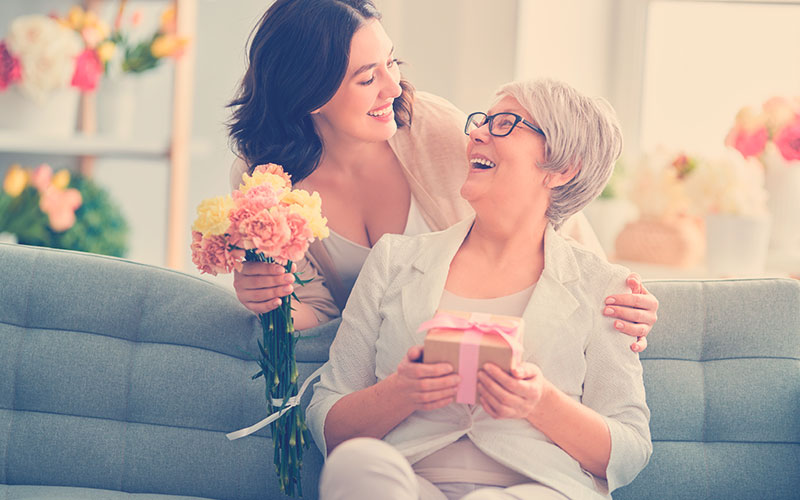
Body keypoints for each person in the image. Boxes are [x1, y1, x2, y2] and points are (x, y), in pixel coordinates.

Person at [227, 0, 657, 350]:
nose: (393, 87)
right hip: (385, 362)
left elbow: (542, 208)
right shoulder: (264, 182)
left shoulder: (428, 126)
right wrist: (269, 300)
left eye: (390, 62)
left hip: (488, 341)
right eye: (366, 78)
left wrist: (615, 295)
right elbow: (318, 314)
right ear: (309, 94)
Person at [306, 77, 652, 500]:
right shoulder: (394, 260)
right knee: (356, 465)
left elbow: (630, 449)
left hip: (538, 488)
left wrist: (540, 402)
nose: (476, 134)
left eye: (506, 123)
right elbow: (327, 418)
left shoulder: (606, 287)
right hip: (407, 483)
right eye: (482, 121)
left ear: (563, 169)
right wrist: (401, 391)